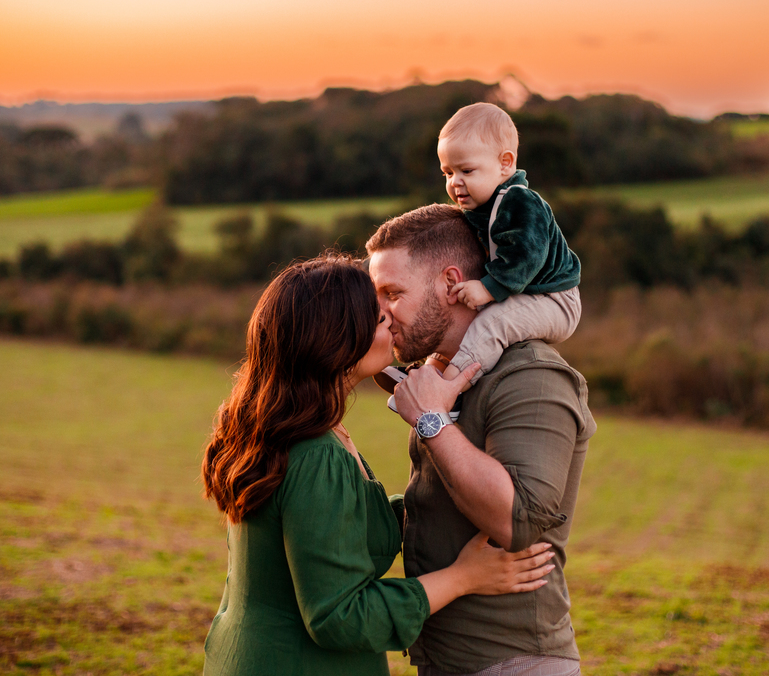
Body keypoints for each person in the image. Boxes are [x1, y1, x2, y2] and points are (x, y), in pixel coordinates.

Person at [200, 256, 557, 676]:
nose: (389, 322)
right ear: (333, 340)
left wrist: (456, 493)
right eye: (375, 317)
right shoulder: (315, 454)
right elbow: (341, 616)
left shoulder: (291, 428)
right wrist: (464, 578)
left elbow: (337, 528)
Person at [367, 206, 597, 676]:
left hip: (512, 662)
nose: (382, 314)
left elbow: (518, 521)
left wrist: (432, 421)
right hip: (446, 659)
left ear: (451, 282)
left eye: (393, 293)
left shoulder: (531, 375)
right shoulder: (443, 375)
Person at [434, 102, 582, 386]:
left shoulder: (519, 201)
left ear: (505, 163)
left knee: (493, 323)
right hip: (525, 293)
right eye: (448, 173)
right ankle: (435, 367)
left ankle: (449, 388)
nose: (456, 183)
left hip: (554, 298)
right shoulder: (482, 207)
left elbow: (527, 255)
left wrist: (490, 288)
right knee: (462, 311)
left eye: (466, 170)